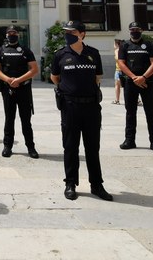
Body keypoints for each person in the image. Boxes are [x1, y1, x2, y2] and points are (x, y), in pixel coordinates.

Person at [51, 20, 112, 201]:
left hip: (91, 107)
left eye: (72, 31)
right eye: (66, 32)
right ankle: (70, 183)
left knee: (92, 147)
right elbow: (55, 77)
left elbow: (98, 77)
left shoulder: (93, 54)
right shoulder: (60, 55)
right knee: (70, 146)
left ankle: (97, 184)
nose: (68, 34)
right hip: (70, 107)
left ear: (82, 34)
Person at [0, 25, 39, 158]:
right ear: (6, 35)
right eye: (10, 32)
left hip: (24, 89)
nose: (12, 34)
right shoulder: (0, 50)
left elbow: (34, 69)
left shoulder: (26, 50)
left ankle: (31, 147)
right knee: (9, 119)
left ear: (18, 34)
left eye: (14, 32)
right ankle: (7, 146)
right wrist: (8, 80)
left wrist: (19, 80)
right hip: (8, 90)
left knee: (26, 120)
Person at [117, 22, 153, 152]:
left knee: (150, 113)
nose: (134, 31)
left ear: (141, 30)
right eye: (132, 29)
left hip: (147, 83)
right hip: (130, 83)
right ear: (129, 31)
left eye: (137, 29)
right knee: (130, 113)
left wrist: (143, 77)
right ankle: (129, 140)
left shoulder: (149, 45)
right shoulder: (124, 45)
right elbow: (121, 63)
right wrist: (133, 77)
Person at [112, 39, 122, 104]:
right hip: (124, 69)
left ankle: (117, 100)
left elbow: (118, 59)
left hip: (119, 70)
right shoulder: (124, 50)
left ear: (116, 44)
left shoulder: (117, 50)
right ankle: (137, 100)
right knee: (128, 85)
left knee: (117, 85)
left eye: (114, 44)